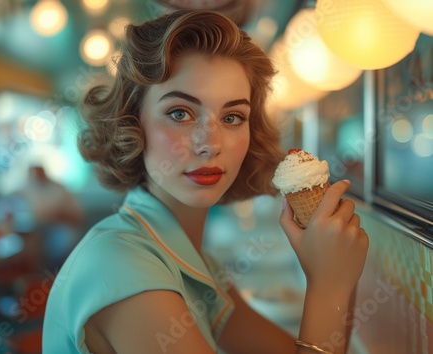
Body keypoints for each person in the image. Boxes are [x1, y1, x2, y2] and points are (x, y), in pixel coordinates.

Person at [42, 10, 368, 354]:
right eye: (180, 113)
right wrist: (328, 286)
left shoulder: (196, 264)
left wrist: (337, 274)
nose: (210, 142)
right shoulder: (120, 265)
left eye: (232, 117)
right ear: (131, 124)